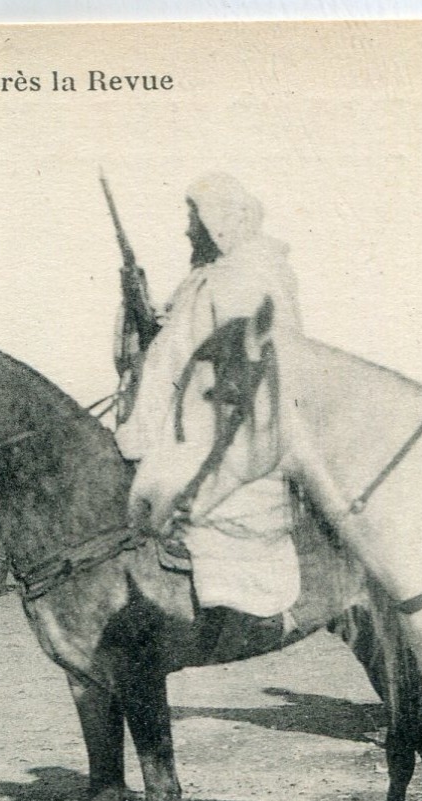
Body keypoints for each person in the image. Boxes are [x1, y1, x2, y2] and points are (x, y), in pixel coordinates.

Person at [114, 172, 303, 618]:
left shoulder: (251, 272)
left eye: (192, 218)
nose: (186, 229)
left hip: (227, 421)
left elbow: (252, 349)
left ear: (217, 220)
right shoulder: (205, 279)